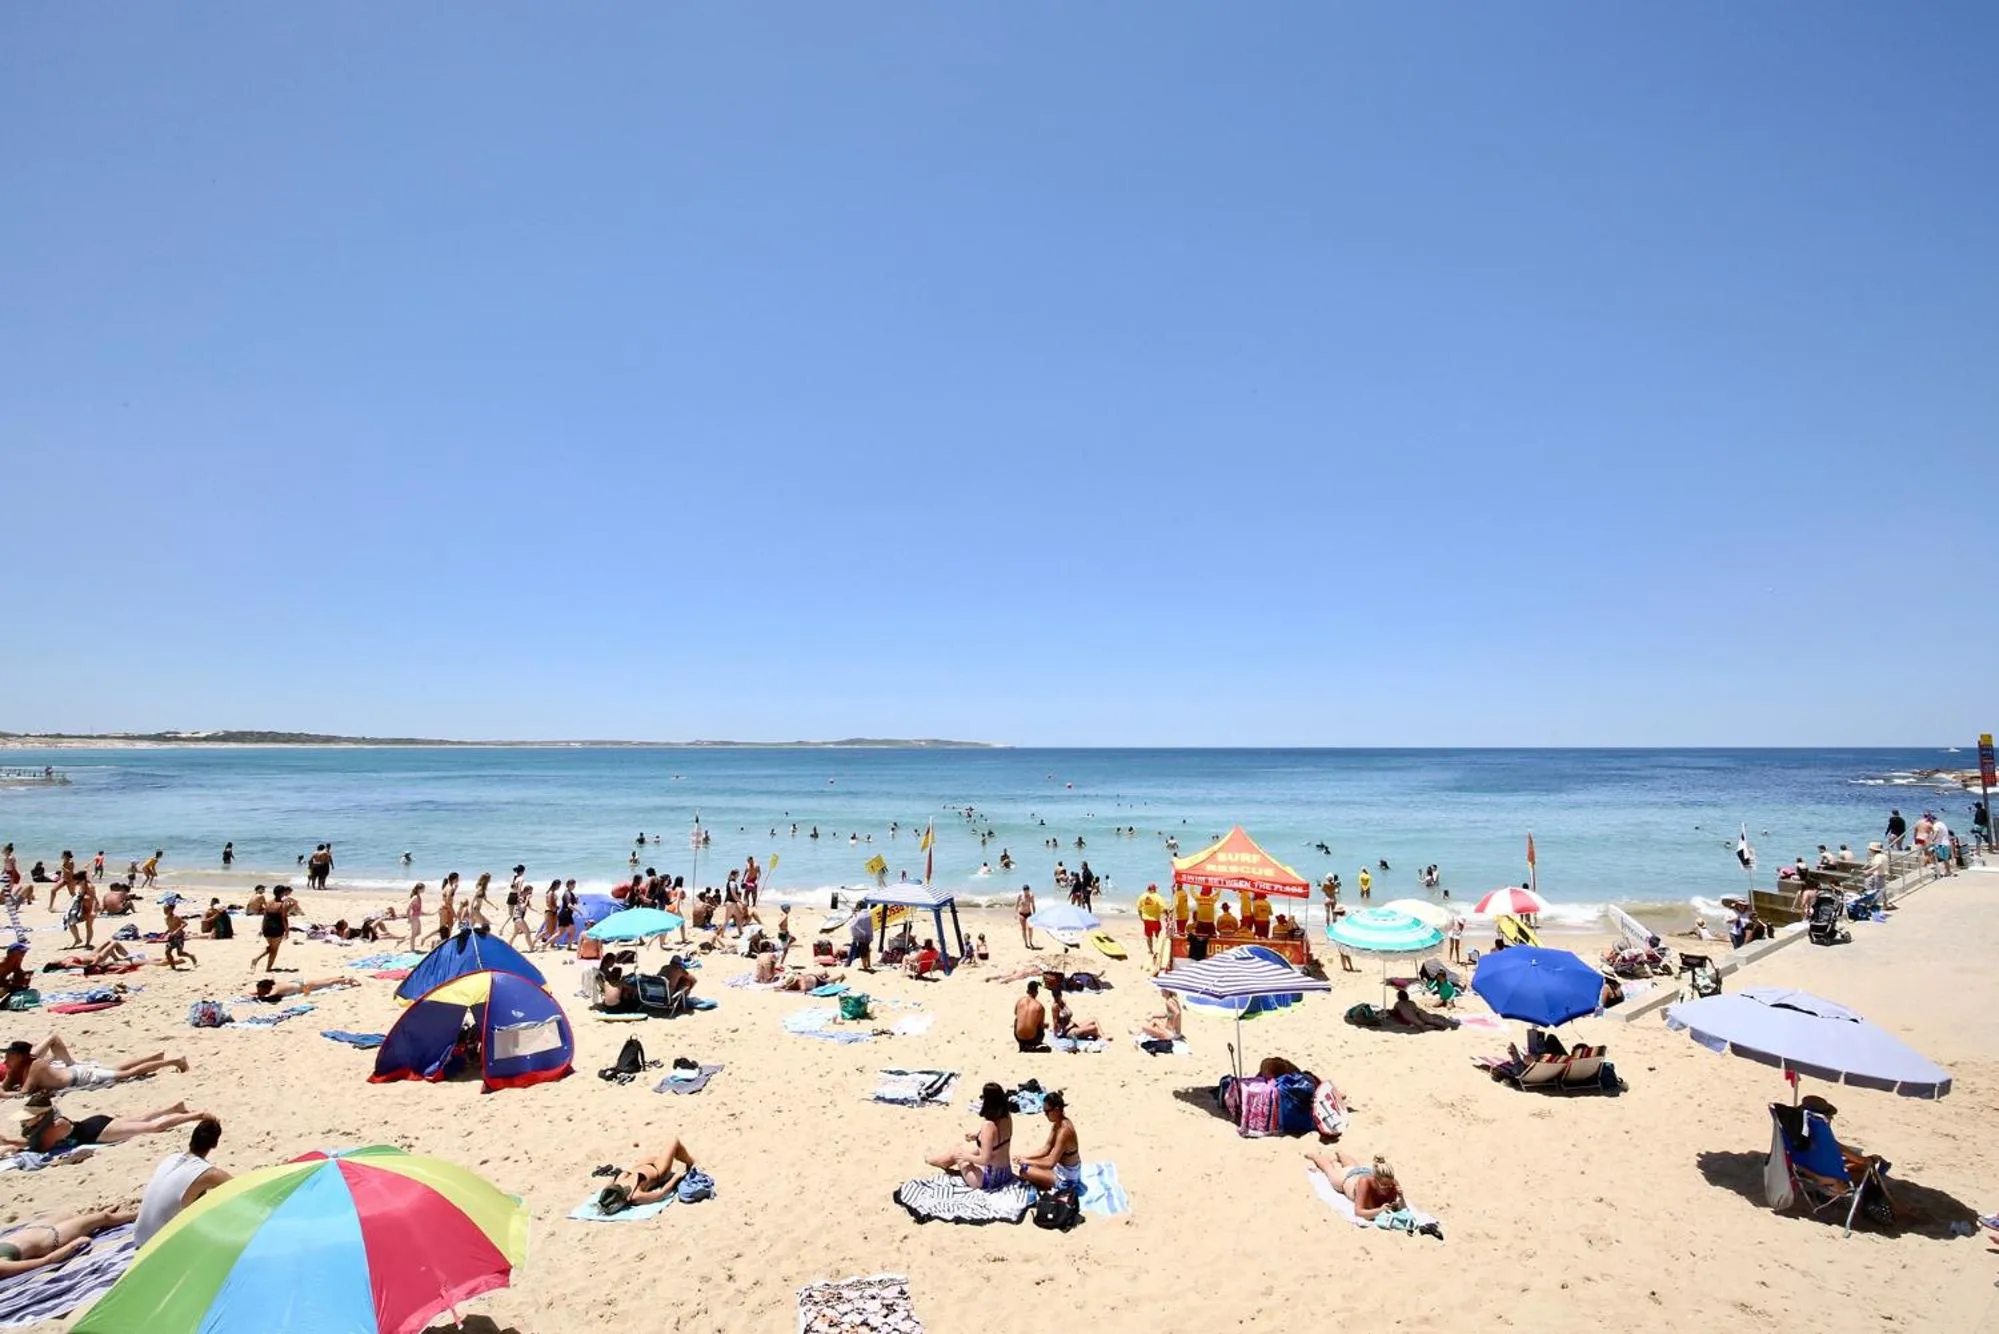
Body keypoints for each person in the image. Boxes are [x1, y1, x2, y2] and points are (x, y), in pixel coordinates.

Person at [134, 1116, 229, 1246]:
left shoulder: (170, 1158)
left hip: (139, 1238)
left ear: (192, 1139)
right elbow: (240, 1188)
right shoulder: (209, 1174)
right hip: (158, 1247)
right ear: (214, 1144)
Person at [7, 1097, 212, 1156]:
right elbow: (32, 1141)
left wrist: (11, 1143)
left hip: (97, 1132)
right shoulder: (51, 1124)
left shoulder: (55, 1126)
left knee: (151, 1128)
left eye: (30, 1118)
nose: (26, 1122)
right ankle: (173, 1107)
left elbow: (40, 1146)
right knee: (140, 1119)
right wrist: (11, 1142)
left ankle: (196, 1115)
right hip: (94, 1122)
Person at [3, 1037, 189, 1095]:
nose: (5, 1058)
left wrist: (4, 1094)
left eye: (9, 1055)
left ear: (19, 1056)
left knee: (127, 1073)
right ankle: (154, 1057)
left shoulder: (36, 1065)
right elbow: (6, 1086)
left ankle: (173, 1062)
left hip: (80, 1077)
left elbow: (24, 1093)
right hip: (75, 1072)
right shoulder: (17, 1067)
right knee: (117, 1068)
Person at [926, 1082, 1015, 1189]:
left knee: (957, 1152)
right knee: (967, 1150)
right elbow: (997, 1139)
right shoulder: (1007, 1116)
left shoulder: (988, 1125)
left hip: (988, 1181)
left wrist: (964, 1156)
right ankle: (940, 1161)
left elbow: (985, 1159)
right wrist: (977, 1136)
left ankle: (933, 1160)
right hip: (1005, 1174)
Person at [0, 1209, 138, 1278]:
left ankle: (96, 1218)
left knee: (67, 1214)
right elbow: (45, 1261)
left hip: (31, 1230)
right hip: (50, 1237)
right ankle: (138, 1213)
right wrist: (73, 1245)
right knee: (104, 1218)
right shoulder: (2, 1267)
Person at [596, 1138, 698, 1214]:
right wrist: (676, 1178)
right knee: (673, 1142)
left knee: (662, 1153)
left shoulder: (612, 1189)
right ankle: (690, 1162)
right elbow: (660, 1194)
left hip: (642, 1166)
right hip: (658, 1170)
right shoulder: (636, 1196)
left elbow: (619, 1175)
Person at [1305, 1150, 1404, 1221]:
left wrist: (1400, 1198)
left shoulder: (1393, 1183)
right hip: (1344, 1179)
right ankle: (1316, 1156)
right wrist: (1380, 1210)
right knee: (1329, 1169)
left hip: (1360, 1172)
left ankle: (1340, 1154)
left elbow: (1402, 1205)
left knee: (1352, 1166)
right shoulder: (1364, 1187)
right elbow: (1360, 1212)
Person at [1014, 1090, 1081, 1193]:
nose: (1045, 1115)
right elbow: (1046, 1148)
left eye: (1047, 1112)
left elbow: (1050, 1162)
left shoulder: (1065, 1131)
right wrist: (1024, 1157)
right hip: (1062, 1170)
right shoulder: (1058, 1124)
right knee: (1029, 1165)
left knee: (1024, 1171)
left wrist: (1027, 1161)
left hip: (1067, 1180)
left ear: (1057, 1110)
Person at [250, 886, 297, 973]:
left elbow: (265, 916)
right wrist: (287, 931)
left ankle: (260, 962)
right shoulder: (283, 904)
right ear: (282, 893)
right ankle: (261, 963)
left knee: (271, 948)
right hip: (277, 928)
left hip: (267, 928)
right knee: (274, 950)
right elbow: (284, 918)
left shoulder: (268, 902)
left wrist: (262, 928)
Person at [1388, 986, 1458, 1031]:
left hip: (1412, 1016)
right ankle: (1443, 1025)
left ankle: (1436, 1028)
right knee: (1430, 1019)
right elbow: (1415, 1010)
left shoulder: (1398, 1004)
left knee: (1421, 1025)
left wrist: (1389, 1012)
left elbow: (1394, 1012)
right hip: (1419, 1012)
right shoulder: (1411, 1002)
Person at [251, 976, 357, 1002]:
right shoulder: (275, 985)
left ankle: (348, 980)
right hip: (301, 982)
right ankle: (343, 978)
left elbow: (271, 998)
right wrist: (257, 993)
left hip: (304, 987)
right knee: (325, 981)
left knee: (327, 983)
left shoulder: (275, 990)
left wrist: (259, 998)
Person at [1014, 981, 1048, 1052]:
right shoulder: (1040, 1007)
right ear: (1037, 992)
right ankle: (1031, 1045)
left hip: (1019, 1037)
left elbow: (1016, 1013)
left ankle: (1022, 1044)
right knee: (1040, 1026)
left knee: (1016, 1020)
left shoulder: (1020, 1001)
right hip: (1033, 1039)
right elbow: (1041, 1027)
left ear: (1027, 991)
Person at [163, 898, 197, 969]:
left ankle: (191, 956)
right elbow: (170, 927)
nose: (165, 911)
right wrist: (165, 932)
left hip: (179, 937)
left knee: (180, 953)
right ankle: (173, 967)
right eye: (164, 909)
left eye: (166, 909)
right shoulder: (166, 918)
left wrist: (177, 930)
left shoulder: (176, 917)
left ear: (171, 910)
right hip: (171, 937)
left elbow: (185, 923)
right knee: (167, 952)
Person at [1135, 882, 1165, 959]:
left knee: (1149, 936)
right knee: (1158, 935)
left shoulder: (1142, 896)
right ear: (1154, 889)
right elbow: (1163, 908)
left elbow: (1138, 908)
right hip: (1155, 920)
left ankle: (1151, 950)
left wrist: (1141, 916)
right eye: (1155, 889)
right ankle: (1159, 950)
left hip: (1146, 920)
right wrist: (1167, 914)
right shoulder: (1157, 897)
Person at [1015, 884, 1037, 950]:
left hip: (1029, 913)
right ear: (1023, 891)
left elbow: (1033, 905)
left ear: (1029, 890)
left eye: (1027, 891)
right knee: (1024, 929)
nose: (1026, 892)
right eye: (1025, 891)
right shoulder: (1020, 895)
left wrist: (1034, 914)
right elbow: (1016, 904)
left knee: (1030, 928)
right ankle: (1025, 943)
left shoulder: (1031, 896)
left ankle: (1030, 942)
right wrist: (1016, 914)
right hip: (1021, 914)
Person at [405, 883, 426, 952]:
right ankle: (412, 949)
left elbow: (419, 909)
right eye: (423, 888)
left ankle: (403, 940)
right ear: (419, 889)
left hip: (417, 917)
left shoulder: (418, 897)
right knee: (413, 933)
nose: (424, 890)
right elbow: (408, 908)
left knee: (418, 932)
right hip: (414, 917)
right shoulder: (415, 897)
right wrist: (409, 918)